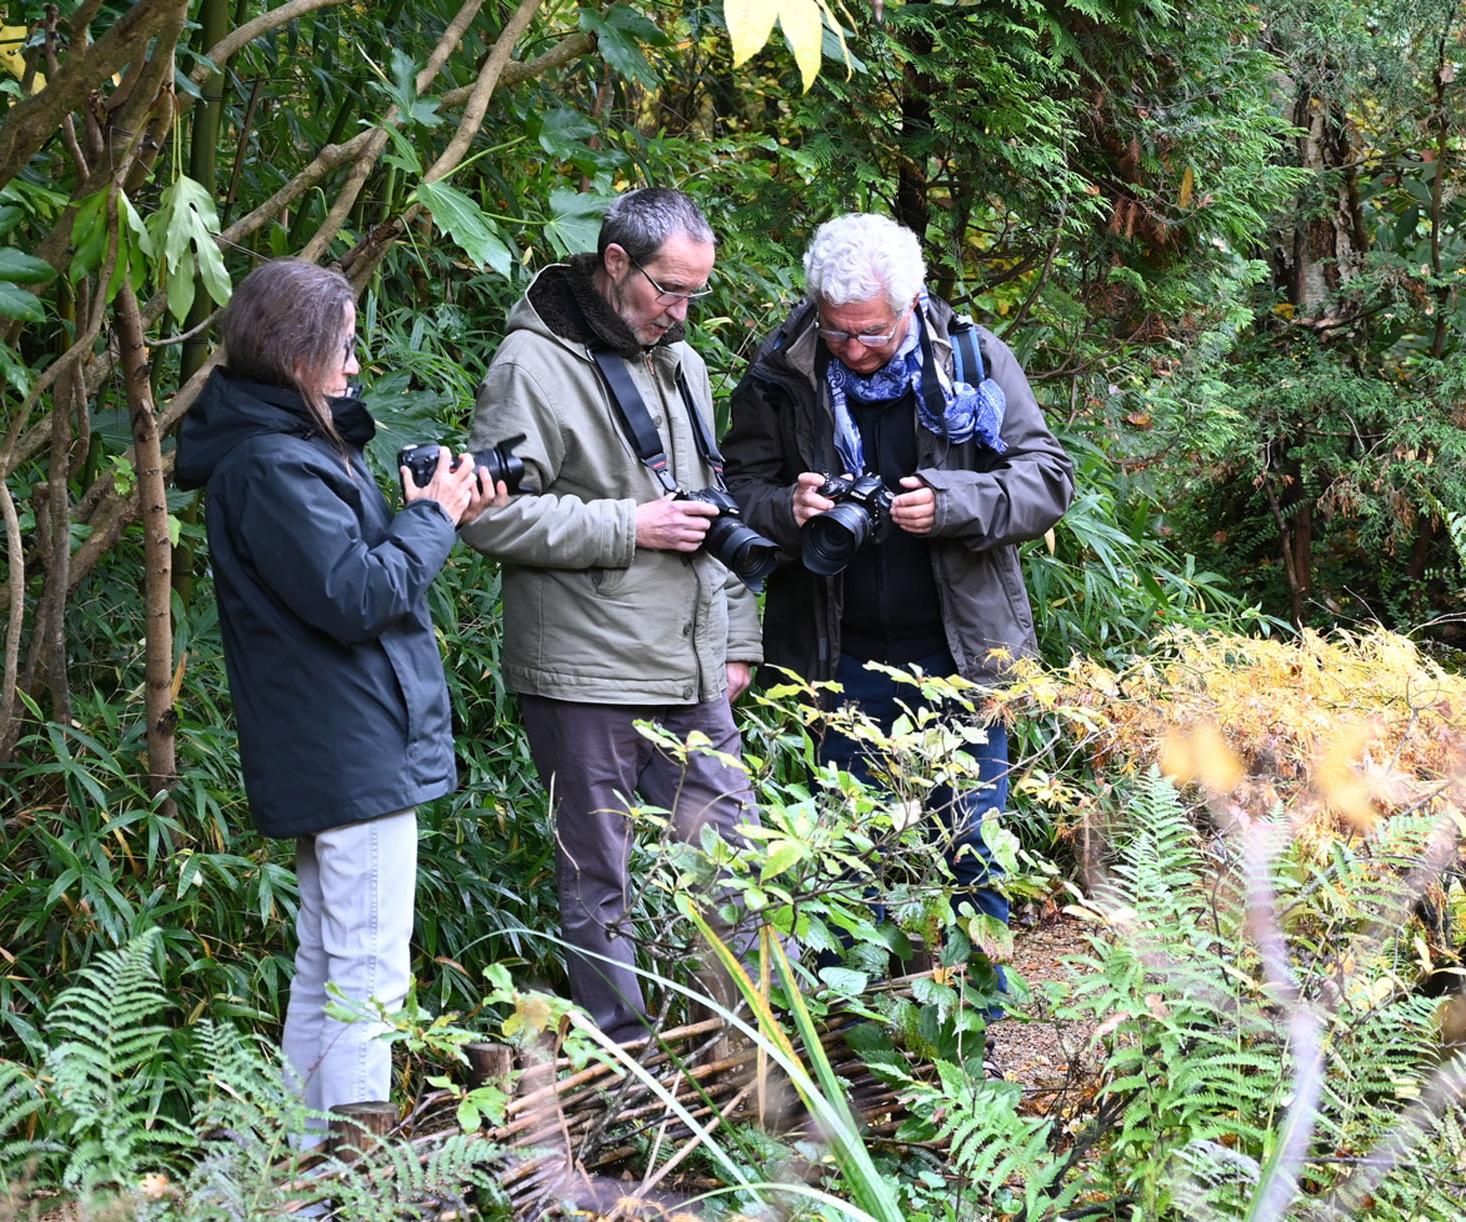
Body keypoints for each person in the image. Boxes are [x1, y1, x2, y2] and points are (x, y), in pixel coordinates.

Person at [173, 258, 502, 1124]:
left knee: (332, 964)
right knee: (367, 976)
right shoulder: (272, 465)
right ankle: (351, 1185)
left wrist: (424, 511)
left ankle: (293, 1181)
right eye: (342, 349)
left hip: (341, 741)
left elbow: (350, 576)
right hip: (345, 745)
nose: (355, 366)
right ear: (293, 355)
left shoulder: (294, 450)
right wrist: (430, 519)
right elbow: (356, 597)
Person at [721, 212, 1074, 966]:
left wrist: (953, 503)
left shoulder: (974, 361)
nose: (854, 350)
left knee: (973, 854)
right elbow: (735, 490)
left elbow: (1048, 480)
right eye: (838, 331)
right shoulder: (782, 373)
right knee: (851, 867)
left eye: (872, 333)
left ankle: (974, 1043)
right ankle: (861, 1047)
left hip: (965, 659)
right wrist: (788, 509)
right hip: (832, 661)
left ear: (911, 306)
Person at [459, 188, 764, 1043]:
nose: (682, 310)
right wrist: (629, 525)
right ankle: (620, 1061)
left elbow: (710, 506)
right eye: (670, 289)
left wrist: (736, 635)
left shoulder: (684, 363)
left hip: (689, 661)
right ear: (616, 263)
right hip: (584, 669)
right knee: (599, 877)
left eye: (697, 293)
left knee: (733, 862)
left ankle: (749, 1048)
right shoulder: (531, 366)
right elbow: (486, 516)